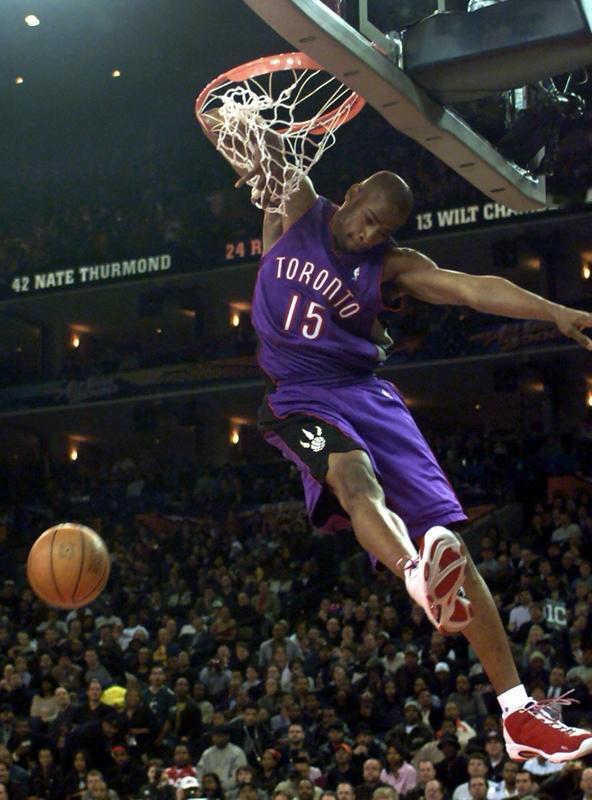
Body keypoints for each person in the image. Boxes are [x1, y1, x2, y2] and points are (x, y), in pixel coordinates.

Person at [199, 100, 592, 763]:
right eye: (365, 218)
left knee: (453, 546)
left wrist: (553, 310)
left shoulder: (391, 265)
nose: (366, 233)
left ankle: (517, 715)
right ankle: (413, 574)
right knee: (352, 478)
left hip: (366, 393)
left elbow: (470, 288)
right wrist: (238, 117)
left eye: (380, 229)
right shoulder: (299, 204)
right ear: (351, 194)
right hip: (297, 397)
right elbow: (240, 135)